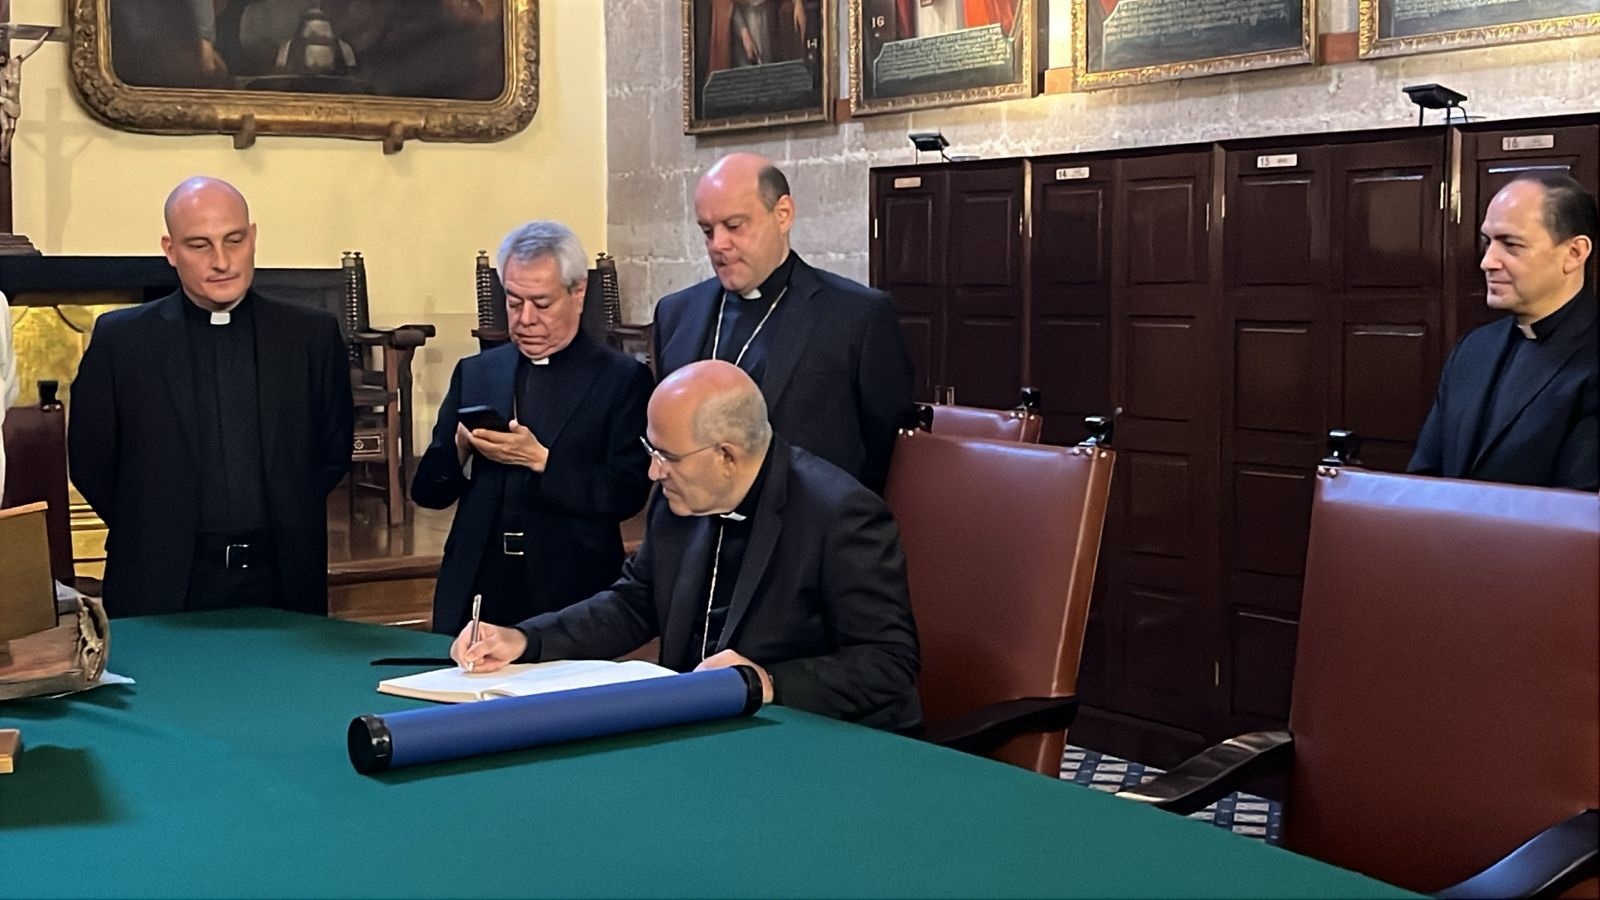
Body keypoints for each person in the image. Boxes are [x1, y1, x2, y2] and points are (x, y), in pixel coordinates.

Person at [452, 360, 922, 732]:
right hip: (704, 730)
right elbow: (634, 603)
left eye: (667, 457)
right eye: (651, 451)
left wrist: (769, 682)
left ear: (726, 455)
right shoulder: (678, 497)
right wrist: (527, 639)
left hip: (809, 738)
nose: (653, 472)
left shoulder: (840, 514)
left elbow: (888, 662)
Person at [69, 176, 352, 617]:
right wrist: (153, 527)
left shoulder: (310, 337)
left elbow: (332, 451)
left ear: (252, 237)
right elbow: (91, 460)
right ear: (170, 250)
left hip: (283, 580)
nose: (222, 261)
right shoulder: (123, 341)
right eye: (200, 245)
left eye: (234, 240)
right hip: (160, 582)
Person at [412, 221, 654, 635]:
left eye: (541, 304)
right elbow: (429, 493)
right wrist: (458, 449)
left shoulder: (620, 379)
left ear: (577, 293)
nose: (525, 319)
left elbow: (626, 493)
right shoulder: (477, 371)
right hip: (477, 581)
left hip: (569, 586)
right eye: (513, 302)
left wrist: (542, 460)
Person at [652, 153, 913, 494]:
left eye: (734, 226)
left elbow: (888, 452)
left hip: (805, 532)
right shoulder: (676, 314)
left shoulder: (856, 316)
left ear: (783, 214)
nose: (718, 245)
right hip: (695, 533)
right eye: (707, 230)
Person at [1409, 172, 1597, 491]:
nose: (1488, 261)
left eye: (1511, 244)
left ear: (1574, 254)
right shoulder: (1473, 349)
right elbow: (1424, 476)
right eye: (1488, 241)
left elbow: (1577, 516)